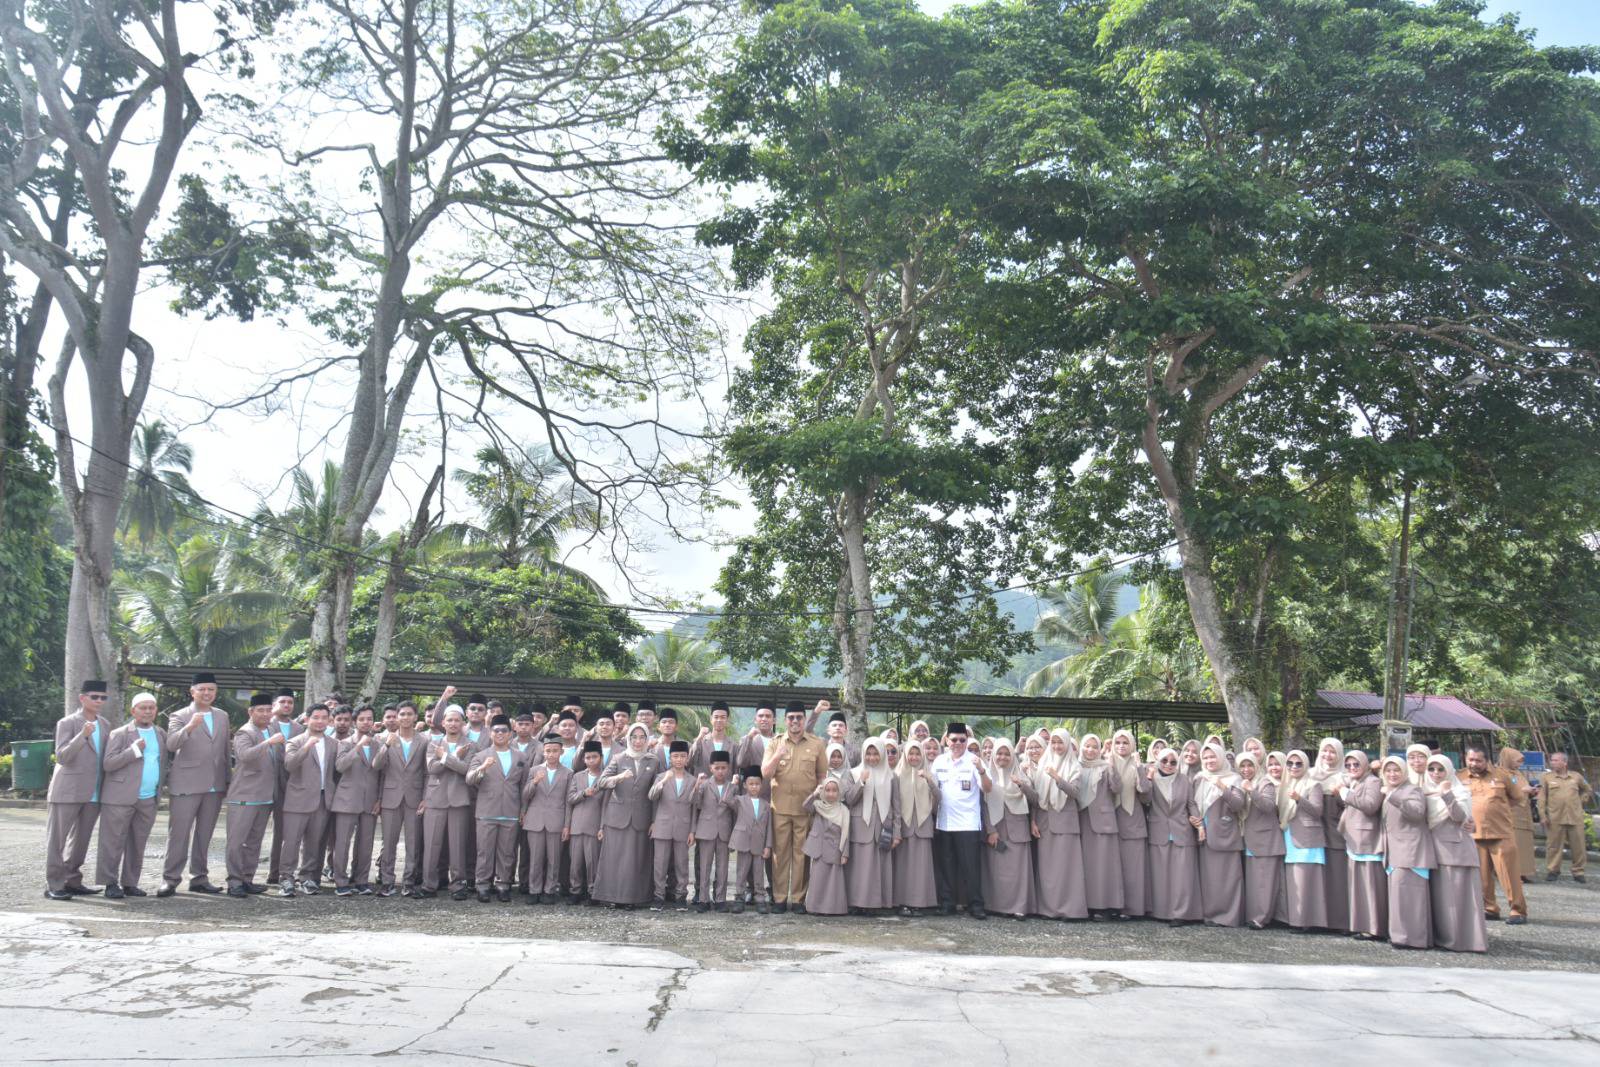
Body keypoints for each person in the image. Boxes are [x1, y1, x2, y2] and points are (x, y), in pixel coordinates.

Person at [161, 671, 231, 896]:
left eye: (211, 689)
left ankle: (199, 877)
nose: (207, 693)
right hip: (187, 783)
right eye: (202, 689)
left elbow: (225, 750)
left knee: (205, 834)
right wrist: (190, 726)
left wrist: (227, 780)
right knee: (179, 834)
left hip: (214, 784)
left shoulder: (222, 715)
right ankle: (170, 879)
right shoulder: (179, 715)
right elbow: (171, 744)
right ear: (192, 692)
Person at [45, 679, 111, 900]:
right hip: (67, 789)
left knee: (81, 841)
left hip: (94, 791)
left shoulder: (105, 724)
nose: (99, 701)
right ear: (82, 698)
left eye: (103, 697)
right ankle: (54, 884)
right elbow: (62, 756)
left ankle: (72, 880)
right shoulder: (68, 722)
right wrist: (82, 735)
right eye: (95, 697)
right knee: (58, 840)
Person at [763, 700, 830, 913]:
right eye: (791, 718)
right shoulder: (775, 743)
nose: (795, 721)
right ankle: (780, 898)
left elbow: (822, 775)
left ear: (804, 719)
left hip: (805, 809)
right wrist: (777, 756)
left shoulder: (817, 743)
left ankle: (799, 899)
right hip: (779, 808)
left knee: (802, 855)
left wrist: (818, 796)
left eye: (799, 717)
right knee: (780, 854)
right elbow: (765, 774)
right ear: (784, 721)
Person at [97, 692, 165, 899]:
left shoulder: (161, 733)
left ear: (156, 710)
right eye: (142, 707)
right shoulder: (120, 734)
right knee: (113, 841)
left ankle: (130, 883)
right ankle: (109, 883)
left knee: (138, 842)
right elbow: (108, 764)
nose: (147, 711)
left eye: (151, 707)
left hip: (148, 797)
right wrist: (133, 751)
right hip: (119, 798)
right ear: (133, 710)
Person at [1424, 754, 1488, 953]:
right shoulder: (1423, 790)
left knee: (1457, 898)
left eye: (1440, 769)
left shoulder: (1459, 790)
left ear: (1449, 771)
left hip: (1455, 850)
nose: (1436, 773)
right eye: (1432, 769)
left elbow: (1460, 816)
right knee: (1442, 900)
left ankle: (1462, 941)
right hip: (1433, 850)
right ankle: (1444, 938)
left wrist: (1446, 794)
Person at [1459, 743, 1528, 925]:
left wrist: (1497, 811)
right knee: (1482, 878)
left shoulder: (1502, 775)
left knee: (1509, 875)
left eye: (1478, 760)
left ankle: (1517, 910)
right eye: (1470, 760)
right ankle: (1489, 909)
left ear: (1486, 760)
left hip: (1501, 833)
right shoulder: (1460, 777)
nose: (1474, 763)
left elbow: (1517, 798)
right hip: (1474, 835)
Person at [929, 722, 992, 920]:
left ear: (967, 741)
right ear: (946, 740)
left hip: (968, 823)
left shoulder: (974, 760)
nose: (957, 743)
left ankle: (976, 905)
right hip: (945, 822)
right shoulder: (939, 761)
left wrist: (981, 770)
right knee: (946, 867)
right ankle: (947, 903)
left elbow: (988, 788)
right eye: (953, 739)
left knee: (971, 868)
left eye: (962, 740)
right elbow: (931, 788)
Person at [224, 694, 283, 897]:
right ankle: (234, 882)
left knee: (254, 841)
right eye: (261, 710)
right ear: (251, 712)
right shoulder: (244, 732)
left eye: (268, 710)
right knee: (236, 841)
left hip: (265, 795)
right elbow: (245, 756)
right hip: (245, 795)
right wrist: (268, 742)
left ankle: (247, 878)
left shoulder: (271, 729)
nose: (266, 714)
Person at [594, 723, 658, 908]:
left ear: (647, 740)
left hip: (641, 818)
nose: (638, 741)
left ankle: (634, 899)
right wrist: (618, 778)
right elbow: (601, 782)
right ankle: (610, 896)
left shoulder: (652, 761)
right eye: (634, 737)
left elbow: (655, 794)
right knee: (614, 858)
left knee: (636, 859)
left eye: (642, 737)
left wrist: (654, 820)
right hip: (617, 816)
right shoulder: (618, 758)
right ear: (628, 739)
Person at [467, 715, 530, 902]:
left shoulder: (521, 756)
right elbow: (469, 779)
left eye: (504, 730)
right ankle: (483, 885)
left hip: (511, 810)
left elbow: (524, 785)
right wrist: (482, 769)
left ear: (511, 734)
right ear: (490, 733)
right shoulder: (481, 756)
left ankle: (503, 884)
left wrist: (523, 809)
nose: (500, 733)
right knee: (484, 851)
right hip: (487, 811)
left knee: (507, 852)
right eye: (496, 730)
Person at [278, 705, 337, 897]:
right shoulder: (295, 741)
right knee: (292, 842)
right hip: (298, 799)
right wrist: (307, 746)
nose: (320, 721)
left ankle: (307, 877)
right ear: (307, 719)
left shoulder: (333, 743)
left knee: (314, 841)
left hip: (323, 799)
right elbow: (290, 764)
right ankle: (286, 878)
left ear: (329, 721)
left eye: (324, 718)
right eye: (316, 717)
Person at [1379, 755, 1435, 950]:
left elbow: (1416, 813)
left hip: (1410, 850)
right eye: (1388, 770)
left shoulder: (1412, 790)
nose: (1392, 774)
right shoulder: (1392, 790)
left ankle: (1413, 938)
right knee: (1399, 896)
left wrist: (1393, 796)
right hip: (1395, 850)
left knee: (1410, 896)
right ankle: (1401, 936)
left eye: (1396, 770)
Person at [419, 706, 475, 900]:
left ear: (462, 723)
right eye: (449, 720)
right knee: (432, 844)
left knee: (458, 844)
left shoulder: (470, 745)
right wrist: (451, 758)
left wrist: (445, 757)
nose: (453, 723)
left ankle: (458, 885)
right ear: (442, 723)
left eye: (456, 720)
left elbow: (466, 770)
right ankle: (428, 884)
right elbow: (432, 768)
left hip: (459, 799)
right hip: (435, 799)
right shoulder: (433, 744)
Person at [1033, 729, 1088, 921]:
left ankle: (1070, 910)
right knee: (1048, 869)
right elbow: (1036, 798)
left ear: (1067, 744)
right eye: (1053, 742)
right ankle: (1048, 909)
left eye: (1060, 742)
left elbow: (1074, 792)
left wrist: (1057, 778)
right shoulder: (1043, 764)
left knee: (1067, 868)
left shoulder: (1075, 766)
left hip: (1065, 822)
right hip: (1045, 821)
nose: (1056, 746)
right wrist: (1033, 820)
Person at [330, 707, 385, 896]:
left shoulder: (379, 744)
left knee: (366, 843)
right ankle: (340, 880)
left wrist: (379, 799)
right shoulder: (345, 743)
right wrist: (359, 745)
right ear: (355, 722)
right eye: (362, 719)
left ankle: (361, 879)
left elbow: (382, 774)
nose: (366, 722)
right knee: (343, 843)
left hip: (370, 800)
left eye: (369, 719)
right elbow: (340, 766)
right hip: (347, 799)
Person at [842, 737, 900, 914]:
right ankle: (856, 903)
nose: (872, 758)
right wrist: (861, 782)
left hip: (883, 826)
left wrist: (897, 832)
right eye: (869, 753)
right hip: (860, 825)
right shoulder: (852, 773)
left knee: (879, 867)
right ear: (863, 754)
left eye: (876, 754)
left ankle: (876, 904)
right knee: (859, 868)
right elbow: (849, 800)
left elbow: (896, 806)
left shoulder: (892, 776)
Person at [377, 700, 428, 896]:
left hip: (414, 798)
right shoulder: (386, 739)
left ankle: (408, 882)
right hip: (391, 797)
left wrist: (425, 797)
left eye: (409, 714)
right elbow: (377, 767)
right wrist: (386, 746)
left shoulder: (423, 741)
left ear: (416, 717)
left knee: (413, 843)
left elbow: (427, 773)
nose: (405, 718)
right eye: (402, 714)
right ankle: (387, 881)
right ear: (396, 717)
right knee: (388, 842)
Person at [1146, 747, 1202, 926]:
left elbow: (1191, 804)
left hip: (1182, 830)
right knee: (1161, 874)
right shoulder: (1151, 778)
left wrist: (1199, 825)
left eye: (1173, 762)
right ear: (1158, 761)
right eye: (1164, 761)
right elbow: (1144, 799)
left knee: (1182, 876)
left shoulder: (1184, 779)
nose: (1168, 765)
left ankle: (1181, 914)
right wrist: (1147, 779)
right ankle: (1161, 912)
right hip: (1158, 831)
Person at [981, 738, 1035, 921]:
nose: (1002, 757)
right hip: (996, 829)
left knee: (1019, 871)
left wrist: (1021, 784)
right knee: (995, 870)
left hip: (1017, 829)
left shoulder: (1021, 774)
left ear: (1012, 755)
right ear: (993, 755)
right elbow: (983, 806)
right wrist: (990, 830)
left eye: (1006, 754)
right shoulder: (987, 777)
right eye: (999, 753)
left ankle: (1020, 907)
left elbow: (1034, 799)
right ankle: (994, 905)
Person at [1192, 741, 1245, 927]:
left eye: (1212, 756)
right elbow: (1192, 803)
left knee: (1228, 878)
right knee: (1210, 879)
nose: (1209, 760)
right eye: (1205, 757)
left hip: (1225, 833)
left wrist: (1223, 787)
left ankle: (1229, 917)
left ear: (1221, 757)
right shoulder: (1199, 778)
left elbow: (1239, 805)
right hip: (1203, 834)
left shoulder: (1233, 778)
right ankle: (1210, 915)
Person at [1338, 750, 1387, 941]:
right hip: (1354, 839)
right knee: (1359, 887)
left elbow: (1370, 805)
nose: (1352, 768)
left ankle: (1375, 927)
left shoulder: (1373, 782)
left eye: (1356, 764)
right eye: (1348, 765)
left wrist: (1345, 793)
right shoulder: (1355, 782)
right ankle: (1362, 924)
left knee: (1371, 887)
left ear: (1365, 765)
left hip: (1368, 839)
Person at [1278, 749, 1328, 931]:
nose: (1294, 767)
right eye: (1290, 763)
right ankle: (1297, 920)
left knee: (1307, 880)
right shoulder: (1285, 784)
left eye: (1298, 763)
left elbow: (1317, 811)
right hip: (1289, 835)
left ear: (1306, 765)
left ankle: (1308, 921)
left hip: (1307, 838)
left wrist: (1300, 799)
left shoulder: (1313, 784)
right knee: (1294, 882)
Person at [1077, 734, 1125, 919]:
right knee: (1086, 867)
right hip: (1082, 821)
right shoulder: (1075, 765)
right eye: (1087, 746)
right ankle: (1088, 905)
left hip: (1104, 822)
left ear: (1099, 749)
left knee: (1105, 866)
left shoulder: (1105, 767)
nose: (1090, 750)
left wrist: (1111, 764)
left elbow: (1117, 789)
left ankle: (1107, 905)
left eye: (1094, 747)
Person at [892, 737, 940, 916]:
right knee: (903, 866)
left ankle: (919, 902)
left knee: (921, 867)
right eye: (910, 753)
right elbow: (895, 805)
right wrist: (897, 830)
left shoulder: (929, 773)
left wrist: (929, 780)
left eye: (917, 753)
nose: (913, 757)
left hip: (923, 825)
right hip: (904, 826)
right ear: (904, 755)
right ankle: (902, 903)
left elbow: (938, 800)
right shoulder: (896, 775)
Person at [522, 734, 571, 904]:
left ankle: (549, 890)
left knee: (554, 858)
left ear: (561, 752)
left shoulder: (568, 773)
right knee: (535, 858)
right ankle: (534, 889)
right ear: (543, 752)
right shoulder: (534, 770)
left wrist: (566, 825)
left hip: (556, 820)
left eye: (555, 751)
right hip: (535, 820)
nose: (551, 754)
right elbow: (525, 795)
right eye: (548, 751)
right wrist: (534, 782)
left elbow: (568, 801)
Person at [1236, 753, 1283, 929]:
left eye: (1250, 765)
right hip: (1249, 839)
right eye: (1242, 766)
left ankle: (1261, 918)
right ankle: (1253, 915)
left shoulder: (1265, 783)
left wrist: (1251, 790)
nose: (1246, 769)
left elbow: (1268, 806)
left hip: (1265, 839)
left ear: (1257, 766)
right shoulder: (1239, 783)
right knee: (1255, 882)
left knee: (1265, 882)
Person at [648, 739, 696, 909]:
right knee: (660, 863)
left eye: (682, 756)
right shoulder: (661, 776)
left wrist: (692, 831)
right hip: (662, 826)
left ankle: (681, 896)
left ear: (687, 758)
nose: (679, 759)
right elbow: (652, 797)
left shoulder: (692, 780)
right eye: (675, 756)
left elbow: (694, 808)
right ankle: (659, 896)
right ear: (670, 758)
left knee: (681, 864)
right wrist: (662, 781)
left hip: (683, 828)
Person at [1310, 737, 1350, 932]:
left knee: (1337, 876)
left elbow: (1354, 804)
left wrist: (1340, 795)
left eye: (1332, 751)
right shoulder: (1310, 774)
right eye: (1324, 751)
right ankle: (1316, 919)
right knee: (1316, 876)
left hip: (1336, 829)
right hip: (1313, 830)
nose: (1328, 755)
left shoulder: (1346, 776)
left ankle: (1339, 922)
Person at [690, 752, 739, 911]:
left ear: (728, 768)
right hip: (706, 831)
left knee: (722, 867)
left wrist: (730, 802)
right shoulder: (704, 785)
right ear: (710, 768)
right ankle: (703, 899)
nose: (720, 771)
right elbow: (695, 804)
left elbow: (737, 810)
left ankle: (720, 899)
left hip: (724, 832)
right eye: (716, 767)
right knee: (704, 867)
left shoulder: (732, 787)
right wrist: (697, 785)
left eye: (723, 768)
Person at [1108, 730, 1148, 919]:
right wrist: (1109, 765)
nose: (1121, 746)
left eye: (1125, 742)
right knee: (1113, 868)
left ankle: (1132, 909)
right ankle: (1113, 906)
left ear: (1132, 744)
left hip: (1133, 820)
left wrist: (1140, 767)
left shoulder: (1139, 765)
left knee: (1133, 868)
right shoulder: (1107, 763)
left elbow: (1146, 793)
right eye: (1118, 742)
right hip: (1111, 820)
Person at [265, 688, 302, 886]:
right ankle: (244, 875)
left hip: (289, 785)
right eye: (283, 702)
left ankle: (276, 872)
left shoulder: (299, 728)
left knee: (284, 831)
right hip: (264, 784)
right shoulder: (265, 725)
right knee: (254, 832)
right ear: (274, 705)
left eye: (290, 702)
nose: (287, 705)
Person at [1540, 751, 1593, 882]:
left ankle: (1578, 872)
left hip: (1575, 817)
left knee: (1579, 846)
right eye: (1552, 760)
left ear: (1565, 762)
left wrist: (1581, 801)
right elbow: (1541, 798)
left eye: (1556, 760)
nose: (1553, 762)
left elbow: (1587, 789)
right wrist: (1542, 815)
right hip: (1555, 818)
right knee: (1553, 846)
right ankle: (1553, 870)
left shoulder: (1576, 777)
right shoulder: (1547, 778)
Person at [565, 741, 607, 904]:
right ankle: (575, 891)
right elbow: (570, 798)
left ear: (601, 758)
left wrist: (602, 826)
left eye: (594, 757)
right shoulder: (577, 776)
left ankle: (592, 892)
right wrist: (584, 793)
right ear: (583, 759)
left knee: (592, 862)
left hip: (594, 825)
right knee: (575, 862)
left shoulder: (605, 778)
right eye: (588, 757)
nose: (591, 760)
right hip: (577, 826)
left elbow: (606, 805)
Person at [801, 778, 849, 916]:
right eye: (827, 790)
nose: (831, 794)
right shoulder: (818, 806)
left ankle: (833, 909)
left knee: (833, 881)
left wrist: (845, 853)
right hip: (819, 849)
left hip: (835, 849)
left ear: (839, 792)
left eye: (834, 790)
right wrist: (815, 793)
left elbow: (847, 833)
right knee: (818, 879)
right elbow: (805, 806)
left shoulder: (843, 810)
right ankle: (814, 907)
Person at [730, 766, 774, 914]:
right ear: (745, 785)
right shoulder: (739, 800)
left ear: (761, 785)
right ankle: (739, 897)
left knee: (758, 872)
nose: (754, 787)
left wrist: (768, 846)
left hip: (759, 844)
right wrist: (733, 784)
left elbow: (769, 828)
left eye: (757, 784)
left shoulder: (766, 805)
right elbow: (726, 800)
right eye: (751, 784)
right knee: (741, 871)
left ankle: (760, 898)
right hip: (743, 842)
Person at [1497, 747, 1538, 884]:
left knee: (1524, 846)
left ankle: (1523, 872)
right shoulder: (1499, 774)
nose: (1519, 764)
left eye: (1520, 762)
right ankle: (1510, 874)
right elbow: (1499, 793)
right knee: (1511, 846)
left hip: (1524, 815)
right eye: (1517, 761)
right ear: (1508, 759)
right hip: (1510, 815)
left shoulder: (1518, 774)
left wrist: (1531, 791)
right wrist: (1522, 790)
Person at [690, 701, 737, 775]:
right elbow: (689, 762)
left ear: (727, 720)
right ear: (711, 719)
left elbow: (735, 770)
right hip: (704, 785)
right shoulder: (701, 742)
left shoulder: (733, 745)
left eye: (723, 717)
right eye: (716, 717)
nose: (719, 720)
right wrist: (699, 738)